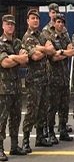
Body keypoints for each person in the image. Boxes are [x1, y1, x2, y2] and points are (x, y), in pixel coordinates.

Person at [21, 8, 53, 151]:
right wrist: (44, 49)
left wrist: (41, 49)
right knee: (32, 110)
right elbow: (34, 56)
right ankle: (26, 140)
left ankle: (40, 137)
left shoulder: (42, 35)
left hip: (44, 79)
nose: (35, 20)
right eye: (32, 18)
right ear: (28, 21)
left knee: (43, 109)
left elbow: (51, 49)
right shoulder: (27, 37)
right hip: (33, 80)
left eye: (37, 18)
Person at [0, 14, 29, 160]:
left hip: (17, 87)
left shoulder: (17, 42)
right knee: (2, 119)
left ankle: (14, 146)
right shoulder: (0, 43)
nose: (10, 26)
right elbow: (4, 63)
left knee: (16, 118)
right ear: (3, 26)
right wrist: (17, 58)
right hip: (4, 89)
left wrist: (12, 58)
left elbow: (25, 60)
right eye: (8, 24)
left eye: (12, 24)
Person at [45, 12, 74, 143]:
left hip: (64, 77)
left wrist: (61, 51)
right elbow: (53, 57)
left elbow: (71, 51)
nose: (60, 24)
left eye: (62, 22)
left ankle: (62, 130)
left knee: (64, 106)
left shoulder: (65, 35)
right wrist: (64, 53)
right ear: (54, 23)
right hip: (53, 77)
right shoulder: (49, 36)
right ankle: (50, 132)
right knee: (52, 106)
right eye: (58, 22)